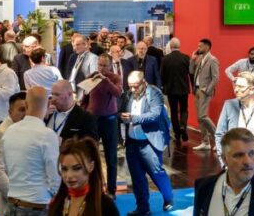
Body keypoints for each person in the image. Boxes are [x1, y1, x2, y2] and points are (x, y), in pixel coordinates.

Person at [121, 71, 174, 215]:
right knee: (137, 178)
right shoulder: (127, 95)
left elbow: (155, 115)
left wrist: (133, 118)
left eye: (135, 86)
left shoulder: (155, 93)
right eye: (130, 86)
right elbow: (120, 111)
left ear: (143, 82)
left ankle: (168, 197)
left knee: (156, 172)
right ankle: (143, 208)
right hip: (132, 142)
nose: (132, 89)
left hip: (149, 141)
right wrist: (121, 117)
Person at [4, 86, 62, 215]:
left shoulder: (9, 131)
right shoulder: (47, 135)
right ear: (48, 105)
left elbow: (7, 168)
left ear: (26, 104)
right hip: (37, 204)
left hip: (12, 202)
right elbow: (55, 176)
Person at [216, 72, 254, 173]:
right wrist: (224, 162)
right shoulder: (229, 105)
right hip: (235, 166)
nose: (236, 89)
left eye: (241, 87)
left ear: (252, 89)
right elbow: (220, 134)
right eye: (236, 86)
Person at [48, 137, 121, 216]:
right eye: (64, 169)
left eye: (77, 168)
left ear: (91, 166)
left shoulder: (105, 206)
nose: (69, 175)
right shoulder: (56, 204)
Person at [83, 55, 123, 196]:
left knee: (111, 157)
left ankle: (111, 190)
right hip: (92, 120)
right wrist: (84, 112)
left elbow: (118, 93)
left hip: (109, 120)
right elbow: (85, 97)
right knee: (90, 156)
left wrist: (105, 80)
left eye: (104, 65)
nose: (101, 68)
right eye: (99, 65)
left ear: (110, 66)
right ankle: (93, 189)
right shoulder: (92, 77)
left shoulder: (115, 78)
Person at [0, 91, 27, 216]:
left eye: (28, 109)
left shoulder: (22, 128)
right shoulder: (3, 132)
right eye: (21, 110)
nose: (26, 114)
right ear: (10, 111)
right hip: (13, 201)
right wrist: (17, 197)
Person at [161, 38, 191, 143]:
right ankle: (183, 126)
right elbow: (190, 73)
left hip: (171, 89)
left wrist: (163, 86)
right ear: (179, 46)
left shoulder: (165, 59)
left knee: (173, 111)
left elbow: (162, 74)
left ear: (170, 46)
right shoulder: (186, 58)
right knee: (184, 109)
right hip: (183, 88)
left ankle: (177, 134)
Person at [192, 39, 220, 152]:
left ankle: (219, 139)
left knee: (202, 116)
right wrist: (192, 59)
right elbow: (191, 71)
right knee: (200, 119)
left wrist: (208, 90)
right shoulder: (200, 58)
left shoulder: (213, 60)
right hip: (197, 90)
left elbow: (215, 78)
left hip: (204, 91)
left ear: (207, 47)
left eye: (200, 46)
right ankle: (205, 142)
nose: (198, 48)